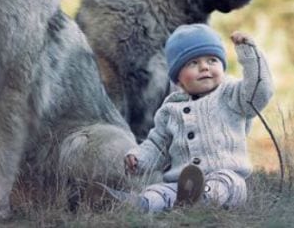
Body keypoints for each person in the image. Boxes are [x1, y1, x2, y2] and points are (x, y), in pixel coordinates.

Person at [91, 23, 274, 212]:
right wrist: (138, 159)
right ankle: (136, 203)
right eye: (193, 63)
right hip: (181, 184)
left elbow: (260, 92)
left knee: (225, 183)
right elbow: (157, 145)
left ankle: (203, 199)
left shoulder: (232, 94)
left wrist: (249, 53)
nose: (204, 67)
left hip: (228, 177)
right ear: (177, 78)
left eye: (212, 60)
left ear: (222, 66)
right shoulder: (170, 108)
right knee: (159, 191)